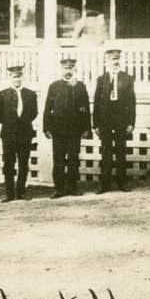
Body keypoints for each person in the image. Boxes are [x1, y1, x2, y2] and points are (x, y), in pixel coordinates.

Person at [43, 52, 92, 198]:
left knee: (73, 159)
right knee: (58, 159)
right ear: (61, 69)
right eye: (65, 68)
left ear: (74, 69)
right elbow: (48, 107)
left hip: (74, 130)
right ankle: (58, 189)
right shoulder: (54, 86)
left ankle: (72, 187)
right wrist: (47, 127)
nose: (68, 71)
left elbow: (86, 108)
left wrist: (86, 128)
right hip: (57, 130)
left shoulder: (80, 86)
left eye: (70, 68)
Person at [93, 47, 136, 193]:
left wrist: (131, 122)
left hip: (121, 119)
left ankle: (122, 183)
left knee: (121, 151)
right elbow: (97, 102)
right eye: (112, 59)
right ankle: (104, 184)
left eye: (117, 58)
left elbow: (131, 102)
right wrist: (96, 123)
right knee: (105, 152)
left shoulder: (127, 78)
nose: (115, 61)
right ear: (107, 61)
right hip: (105, 119)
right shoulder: (101, 79)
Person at [0, 65, 38, 201]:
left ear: (23, 77)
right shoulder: (3, 94)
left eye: (19, 76)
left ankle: (21, 192)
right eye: (14, 76)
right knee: (8, 164)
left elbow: (34, 113)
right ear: (10, 77)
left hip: (25, 133)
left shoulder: (30, 94)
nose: (17, 79)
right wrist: (10, 123)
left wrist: (22, 123)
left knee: (23, 163)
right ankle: (9, 193)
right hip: (8, 133)